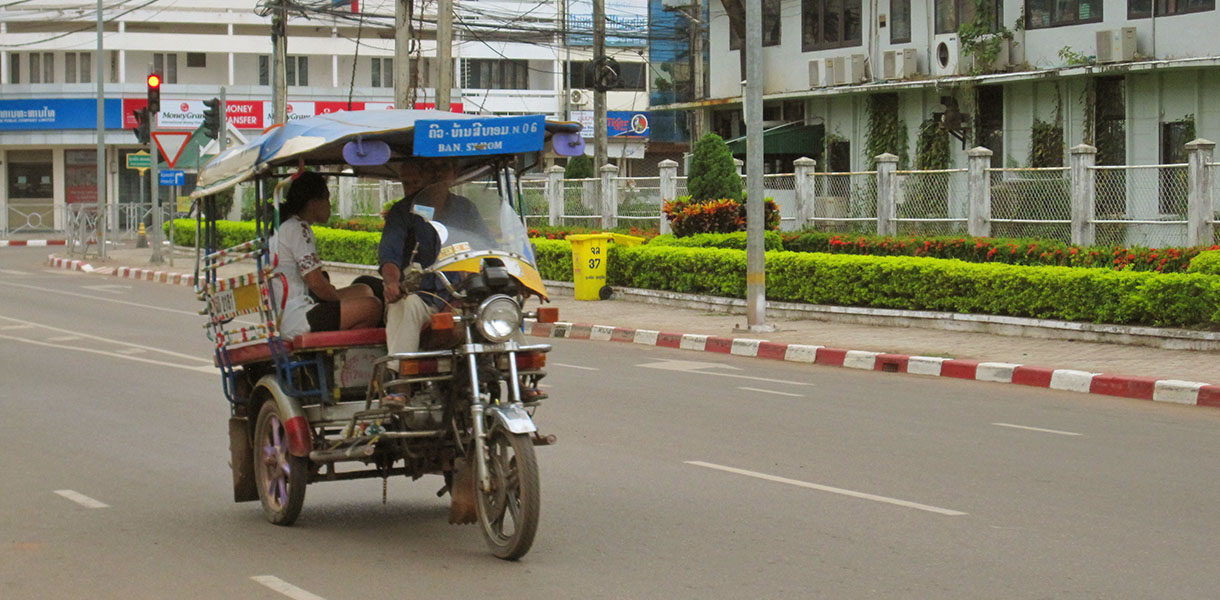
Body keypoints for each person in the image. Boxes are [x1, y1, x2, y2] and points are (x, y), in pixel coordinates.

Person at [269, 171, 383, 338]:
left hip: (293, 310)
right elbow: (315, 282)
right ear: (313, 202)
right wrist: (337, 300)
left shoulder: (287, 226)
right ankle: (341, 357)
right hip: (298, 316)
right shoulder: (298, 227)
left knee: (364, 289)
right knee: (372, 306)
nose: (330, 205)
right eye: (327, 199)